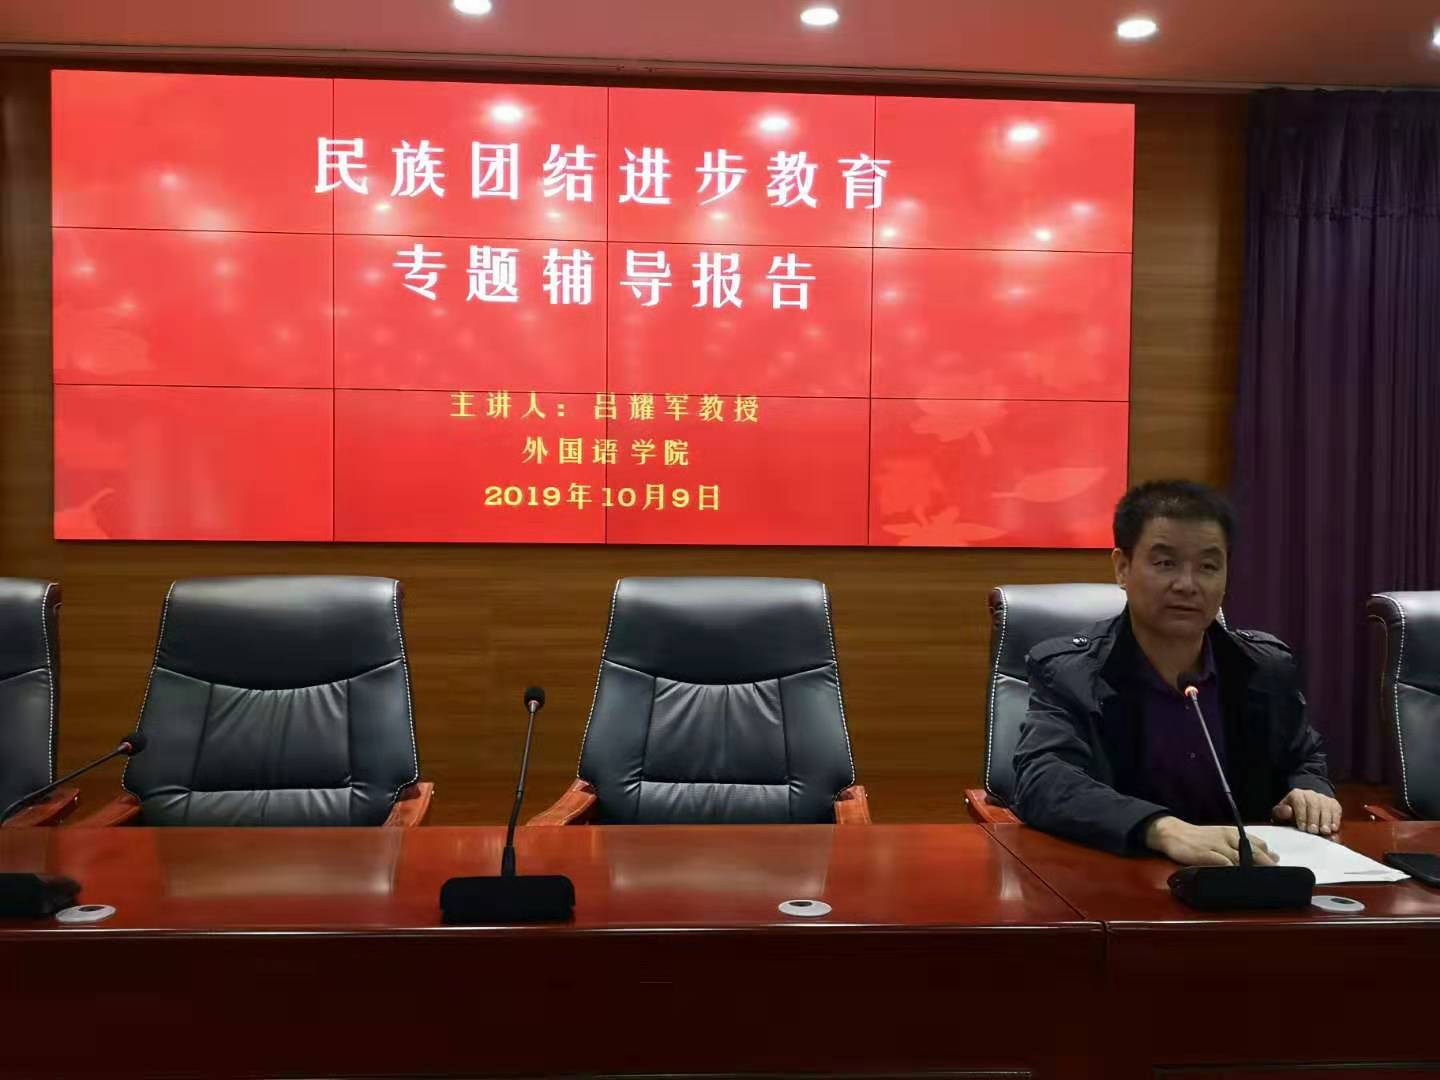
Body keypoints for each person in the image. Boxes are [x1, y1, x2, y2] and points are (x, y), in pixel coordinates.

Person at [1011, 479, 1341, 865]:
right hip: (1121, 875)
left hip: (1248, 876)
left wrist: (1309, 789)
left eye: (1208, 567)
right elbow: (1044, 779)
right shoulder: (1071, 672)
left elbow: (1303, 756)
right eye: (1165, 563)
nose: (1187, 585)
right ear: (1122, 568)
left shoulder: (1264, 667)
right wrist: (1161, 829)